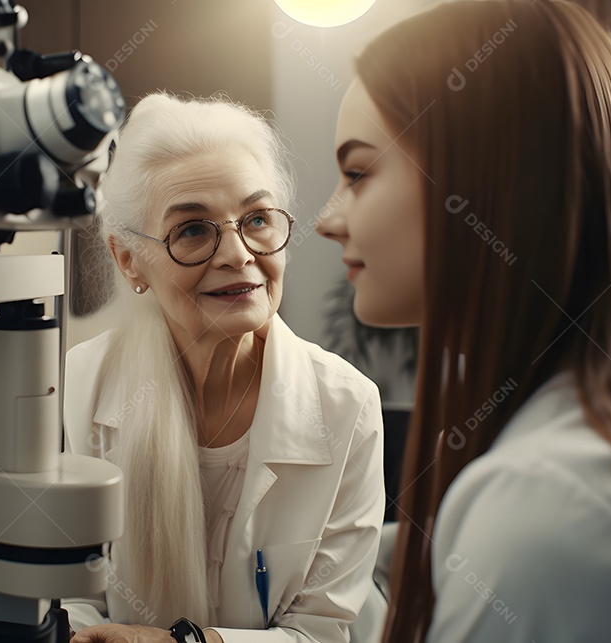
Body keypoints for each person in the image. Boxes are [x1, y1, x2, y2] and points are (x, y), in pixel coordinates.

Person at [316, 1, 611, 641]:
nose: (328, 220)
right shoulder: (595, 463)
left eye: (358, 173)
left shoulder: (546, 505)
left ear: (488, 178)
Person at [63, 93, 386, 643]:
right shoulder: (77, 386)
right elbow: (64, 593)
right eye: (193, 230)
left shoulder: (346, 406)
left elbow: (321, 631)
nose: (238, 254)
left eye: (256, 218)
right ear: (127, 259)